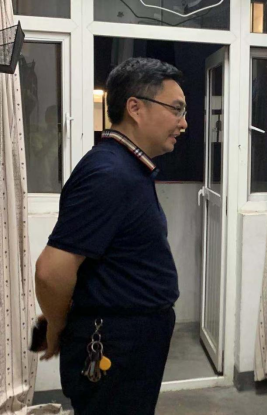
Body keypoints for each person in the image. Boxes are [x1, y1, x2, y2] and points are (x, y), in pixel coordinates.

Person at [35, 57, 188, 415]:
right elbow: (50, 271)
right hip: (114, 343)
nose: (184, 123)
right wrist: (58, 326)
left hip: (133, 339)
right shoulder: (109, 174)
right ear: (135, 108)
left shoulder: (127, 167)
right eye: (176, 109)